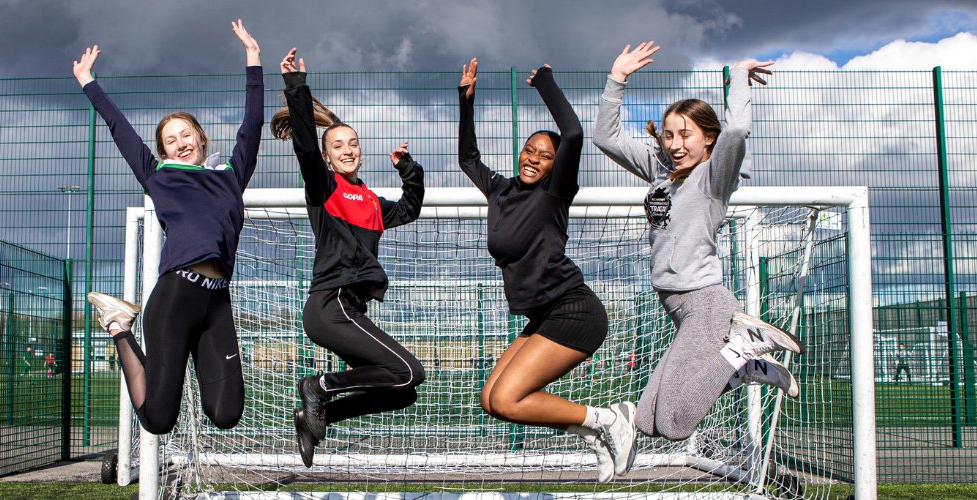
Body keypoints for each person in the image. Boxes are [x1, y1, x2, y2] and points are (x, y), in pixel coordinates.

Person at [591, 41, 803, 444]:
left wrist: (738, 75)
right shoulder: (662, 171)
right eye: (669, 135)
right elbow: (606, 138)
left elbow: (737, 129)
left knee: (674, 424)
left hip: (704, 301)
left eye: (686, 135)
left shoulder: (713, 178)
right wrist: (616, 78)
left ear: (709, 140)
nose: (674, 144)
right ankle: (743, 368)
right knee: (647, 422)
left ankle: (747, 347)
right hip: (675, 304)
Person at [79, 20, 264, 435]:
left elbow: (251, 128)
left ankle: (121, 325)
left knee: (227, 413)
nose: (181, 142)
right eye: (170, 139)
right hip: (175, 297)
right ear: (163, 150)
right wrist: (89, 82)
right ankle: (118, 327)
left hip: (217, 302)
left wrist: (254, 62)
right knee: (159, 419)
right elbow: (118, 129)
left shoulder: (230, 175)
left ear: (200, 138)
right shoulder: (158, 175)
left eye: (186, 134)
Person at [457, 58, 635, 482]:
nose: (534, 159)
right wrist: (467, 101)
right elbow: (467, 158)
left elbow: (572, 133)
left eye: (544, 155)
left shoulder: (555, 194)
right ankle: (588, 429)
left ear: (556, 166)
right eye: (529, 150)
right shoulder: (501, 190)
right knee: (491, 399)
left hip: (574, 312)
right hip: (542, 316)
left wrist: (545, 83)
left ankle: (608, 419)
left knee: (509, 399)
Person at [270, 48, 426, 467]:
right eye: (338, 145)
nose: (348, 149)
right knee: (412, 370)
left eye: (353, 143)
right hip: (329, 304)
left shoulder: (373, 202)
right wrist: (296, 88)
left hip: (350, 309)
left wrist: (408, 168)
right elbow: (304, 142)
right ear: (327, 156)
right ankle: (317, 387)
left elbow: (410, 208)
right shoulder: (325, 189)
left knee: (402, 389)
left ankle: (317, 414)